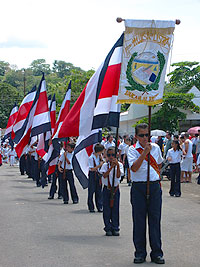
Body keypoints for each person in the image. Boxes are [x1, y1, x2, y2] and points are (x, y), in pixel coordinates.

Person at [128, 123, 165, 264]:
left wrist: (150, 151)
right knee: (139, 221)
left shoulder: (155, 148)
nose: (145, 138)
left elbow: (159, 165)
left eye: (147, 135)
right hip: (139, 187)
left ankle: (157, 253)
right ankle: (140, 253)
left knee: (155, 221)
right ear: (136, 136)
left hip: (154, 186)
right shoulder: (132, 150)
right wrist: (144, 153)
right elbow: (134, 168)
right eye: (142, 135)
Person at [100, 147, 124, 236]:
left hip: (115, 189)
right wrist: (110, 168)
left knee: (115, 209)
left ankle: (115, 227)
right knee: (106, 209)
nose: (111, 157)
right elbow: (105, 175)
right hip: (107, 189)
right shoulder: (104, 165)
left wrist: (116, 166)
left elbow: (118, 176)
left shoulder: (120, 165)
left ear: (116, 155)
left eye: (113, 155)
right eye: (109, 155)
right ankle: (108, 227)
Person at [87, 143, 104, 212]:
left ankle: (99, 206)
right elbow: (91, 169)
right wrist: (99, 165)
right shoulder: (91, 158)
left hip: (98, 175)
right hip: (92, 175)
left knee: (99, 191)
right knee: (91, 191)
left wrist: (101, 160)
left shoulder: (99, 157)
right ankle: (91, 206)